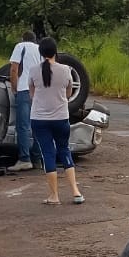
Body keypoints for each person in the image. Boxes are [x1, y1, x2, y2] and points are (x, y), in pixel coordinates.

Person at [28, 36, 85, 205]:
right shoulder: (66, 70)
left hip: (39, 119)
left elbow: (32, 94)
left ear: (40, 52)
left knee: (48, 154)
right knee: (64, 150)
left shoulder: (33, 70)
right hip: (61, 117)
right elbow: (68, 94)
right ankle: (75, 191)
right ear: (55, 51)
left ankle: (54, 196)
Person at [6, 29, 43, 172]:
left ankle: (24, 159)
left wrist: (14, 87)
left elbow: (14, 69)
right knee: (37, 126)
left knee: (23, 126)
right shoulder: (40, 49)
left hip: (24, 89)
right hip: (39, 91)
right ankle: (37, 159)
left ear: (23, 39)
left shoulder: (20, 47)